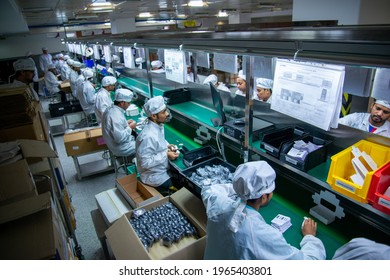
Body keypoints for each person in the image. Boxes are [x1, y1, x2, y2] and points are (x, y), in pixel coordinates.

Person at [201, 161, 326, 260]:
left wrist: (242, 188)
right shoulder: (263, 234)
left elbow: (208, 190)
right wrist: (310, 237)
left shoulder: (218, 204)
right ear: (264, 197)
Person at [136, 96, 179, 195]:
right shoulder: (149, 136)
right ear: (154, 116)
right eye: (163, 112)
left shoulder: (157, 126)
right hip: (153, 176)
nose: (167, 114)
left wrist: (167, 145)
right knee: (181, 189)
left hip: (160, 169)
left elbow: (159, 141)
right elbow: (145, 162)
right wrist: (166, 155)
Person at [102, 89, 136, 159]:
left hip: (111, 143)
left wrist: (125, 123)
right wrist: (130, 127)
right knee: (146, 145)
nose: (129, 105)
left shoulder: (111, 109)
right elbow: (119, 139)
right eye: (128, 103)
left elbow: (114, 126)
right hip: (120, 147)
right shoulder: (116, 116)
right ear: (122, 103)